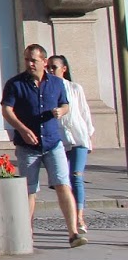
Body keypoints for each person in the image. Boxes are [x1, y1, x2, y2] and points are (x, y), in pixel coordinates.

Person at [0, 43, 84, 248]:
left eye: (34, 60)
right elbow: (7, 110)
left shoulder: (56, 83)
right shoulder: (15, 84)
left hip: (53, 142)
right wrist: (21, 129)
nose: (29, 63)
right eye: (27, 59)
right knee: (29, 190)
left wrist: (61, 111)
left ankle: (73, 233)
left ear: (44, 62)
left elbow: (65, 104)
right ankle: (26, 234)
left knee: (63, 184)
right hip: (27, 146)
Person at [50, 54, 95, 235]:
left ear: (64, 69)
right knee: (63, 180)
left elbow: (84, 112)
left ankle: (80, 218)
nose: (50, 70)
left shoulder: (75, 88)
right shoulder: (48, 89)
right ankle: (71, 216)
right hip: (59, 139)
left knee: (76, 175)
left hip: (78, 137)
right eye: (48, 67)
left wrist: (88, 134)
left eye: (54, 67)